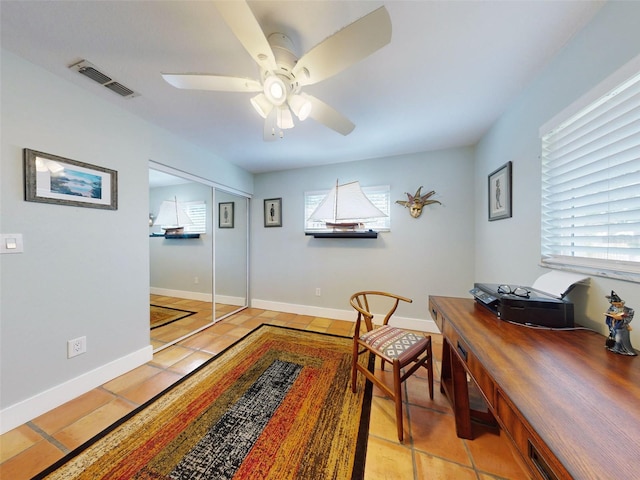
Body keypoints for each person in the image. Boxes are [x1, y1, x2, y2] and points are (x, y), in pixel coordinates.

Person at [604, 291, 637, 356]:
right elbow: (608, 312)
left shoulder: (628, 310)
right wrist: (610, 314)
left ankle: (622, 349)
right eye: (614, 304)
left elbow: (629, 316)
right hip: (613, 323)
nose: (616, 306)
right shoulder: (612, 307)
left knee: (620, 338)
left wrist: (621, 318)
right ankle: (614, 347)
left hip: (621, 326)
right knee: (614, 336)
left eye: (617, 304)